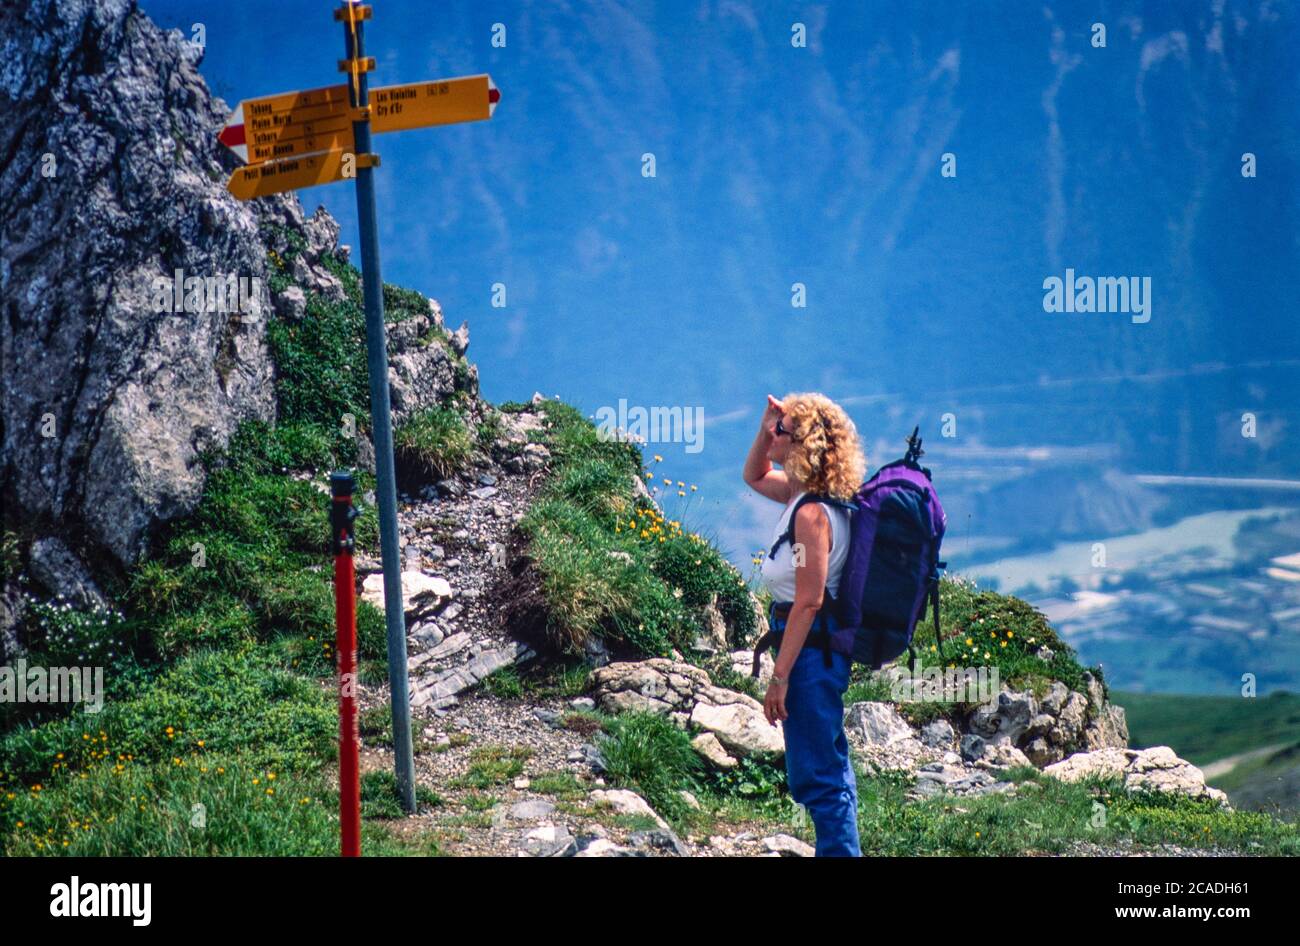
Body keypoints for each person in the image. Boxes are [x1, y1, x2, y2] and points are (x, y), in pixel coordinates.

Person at [743, 392, 866, 856]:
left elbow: (809, 602)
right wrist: (765, 428)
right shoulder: (804, 497)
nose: (774, 435)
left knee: (818, 778)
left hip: (810, 655)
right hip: (815, 652)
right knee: (829, 769)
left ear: (804, 445)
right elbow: (753, 474)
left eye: (782, 430)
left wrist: (780, 677)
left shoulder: (812, 514)